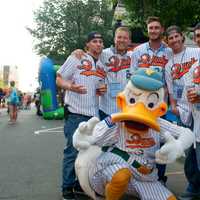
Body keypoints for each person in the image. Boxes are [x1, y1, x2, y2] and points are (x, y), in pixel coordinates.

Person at [56, 31, 106, 200]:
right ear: (87, 45)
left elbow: (97, 88)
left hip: (93, 117)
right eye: (94, 41)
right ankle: (67, 189)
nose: (98, 44)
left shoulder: (100, 65)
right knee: (72, 152)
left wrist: (101, 90)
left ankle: (81, 186)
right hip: (76, 114)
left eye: (100, 41)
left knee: (90, 154)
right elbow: (59, 78)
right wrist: (70, 86)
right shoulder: (77, 57)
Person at [131, 16, 172, 185]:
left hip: (161, 105)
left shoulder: (169, 52)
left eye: (156, 27)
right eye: (151, 28)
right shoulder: (138, 51)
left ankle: (160, 177)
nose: (153, 30)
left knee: (161, 141)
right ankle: (142, 177)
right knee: (143, 141)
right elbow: (132, 77)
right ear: (147, 30)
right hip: (143, 105)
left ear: (162, 30)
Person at [164, 25, 200, 200]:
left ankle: (195, 186)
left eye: (177, 36)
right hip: (184, 110)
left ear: (182, 38)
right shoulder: (169, 64)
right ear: (167, 41)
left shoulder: (196, 52)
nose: (174, 40)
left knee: (197, 149)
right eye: (171, 38)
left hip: (198, 108)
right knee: (188, 150)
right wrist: (173, 106)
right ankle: (194, 184)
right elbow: (170, 89)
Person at [72, 26, 133, 120]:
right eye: (119, 37)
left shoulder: (133, 56)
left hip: (127, 109)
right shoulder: (103, 53)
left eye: (125, 38)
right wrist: (78, 51)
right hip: (106, 109)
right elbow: (89, 54)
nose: (122, 40)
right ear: (114, 39)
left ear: (129, 41)